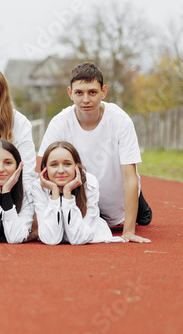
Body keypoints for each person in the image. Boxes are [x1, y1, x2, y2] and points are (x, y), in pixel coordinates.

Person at [37, 63, 152, 243]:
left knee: (142, 217)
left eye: (92, 92)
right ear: (70, 92)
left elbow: (130, 177)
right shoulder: (60, 122)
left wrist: (128, 231)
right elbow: (43, 172)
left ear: (103, 91)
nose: (85, 99)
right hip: (82, 197)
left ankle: (141, 207)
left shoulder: (120, 120)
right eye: (79, 93)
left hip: (115, 201)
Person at [32, 141, 125, 245]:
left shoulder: (90, 183)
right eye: (54, 165)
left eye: (67, 164)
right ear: (45, 168)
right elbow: (51, 239)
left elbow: (79, 238)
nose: (61, 170)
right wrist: (55, 192)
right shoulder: (38, 186)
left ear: (76, 166)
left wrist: (67, 193)